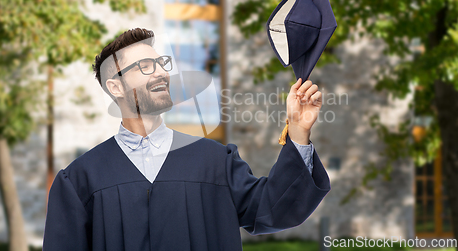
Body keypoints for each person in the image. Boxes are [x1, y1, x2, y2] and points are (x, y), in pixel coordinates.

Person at [43, 28, 330, 251]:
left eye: (161, 63)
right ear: (115, 86)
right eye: (144, 66)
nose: (161, 72)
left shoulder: (215, 162)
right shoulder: (80, 180)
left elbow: (274, 209)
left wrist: (298, 131)